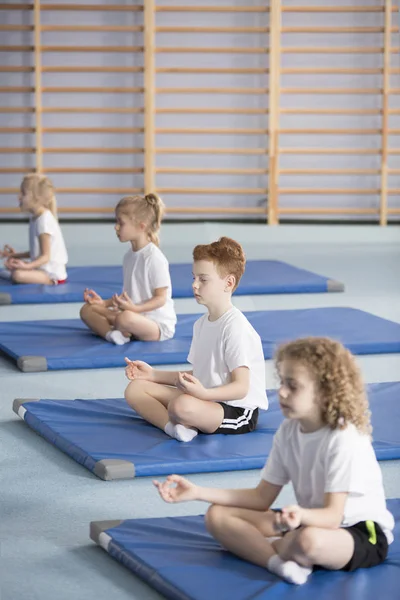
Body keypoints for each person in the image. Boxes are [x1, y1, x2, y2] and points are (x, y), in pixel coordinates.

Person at [154, 337, 394, 585]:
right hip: (304, 521)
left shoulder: (342, 439)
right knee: (217, 516)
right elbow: (261, 498)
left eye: (293, 385)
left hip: (358, 531)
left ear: (325, 392)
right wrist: (197, 492)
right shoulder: (290, 431)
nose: (281, 392)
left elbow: (333, 517)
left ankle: (274, 546)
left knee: (309, 541)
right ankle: (278, 562)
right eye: (281, 382)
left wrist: (299, 518)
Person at [124, 236, 268, 442]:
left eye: (203, 279)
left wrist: (203, 394)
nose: (194, 285)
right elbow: (201, 373)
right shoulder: (201, 324)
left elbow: (241, 388)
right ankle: (174, 429)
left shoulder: (236, 327)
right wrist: (153, 374)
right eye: (194, 278)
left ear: (228, 283)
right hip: (205, 398)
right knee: (136, 388)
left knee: (181, 406)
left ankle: (182, 418)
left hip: (236, 411)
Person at [80, 193, 176, 345]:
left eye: (121, 223)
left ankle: (122, 329)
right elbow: (129, 294)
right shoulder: (129, 256)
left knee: (125, 318)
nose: (116, 227)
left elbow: (161, 299)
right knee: (87, 310)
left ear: (141, 226)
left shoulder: (154, 258)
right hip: (132, 315)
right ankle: (112, 335)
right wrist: (104, 303)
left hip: (156, 325)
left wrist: (136, 309)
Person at [0, 174, 68, 284]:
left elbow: (46, 257)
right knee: (13, 266)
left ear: (37, 198)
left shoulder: (44, 221)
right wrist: (14, 255)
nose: (19, 197)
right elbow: (37, 252)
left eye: (24, 193)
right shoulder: (35, 218)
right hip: (42, 270)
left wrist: (27, 266)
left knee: (18, 274)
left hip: (53, 275)